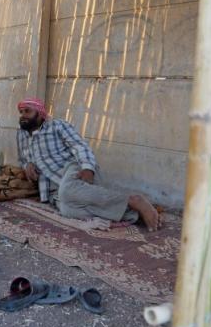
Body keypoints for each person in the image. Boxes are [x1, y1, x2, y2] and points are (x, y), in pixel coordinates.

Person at [16, 97, 161, 231]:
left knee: (66, 192)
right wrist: (27, 164)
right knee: (67, 210)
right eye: (21, 112)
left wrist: (87, 167)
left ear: (40, 113)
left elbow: (79, 146)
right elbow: (22, 159)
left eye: (27, 111)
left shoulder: (57, 125)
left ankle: (134, 199)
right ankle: (132, 213)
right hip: (52, 185)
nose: (23, 115)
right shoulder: (21, 135)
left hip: (73, 168)